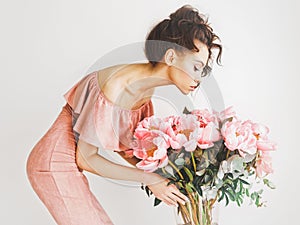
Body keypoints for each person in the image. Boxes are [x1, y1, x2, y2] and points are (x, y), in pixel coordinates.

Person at [26, 4, 222, 225]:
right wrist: (150, 179)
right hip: (53, 166)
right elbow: (86, 157)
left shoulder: (146, 88)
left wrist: (178, 173)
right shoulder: (118, 86)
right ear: (170, 57)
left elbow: (125, 146)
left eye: (203, 70)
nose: (199, 78)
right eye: (196, 67)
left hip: (70, 165)